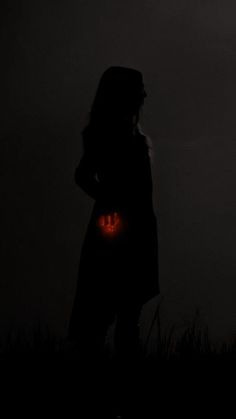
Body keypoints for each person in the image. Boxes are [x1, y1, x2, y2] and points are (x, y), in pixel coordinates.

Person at [67, 66, 159, 369]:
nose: (144, 94)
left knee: (123, 311)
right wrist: (111, 202)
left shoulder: (131, 135)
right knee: (110, 309)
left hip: (130, 228)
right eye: (139, 88)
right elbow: (83, 175)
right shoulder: (110, 136)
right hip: (117, 231)